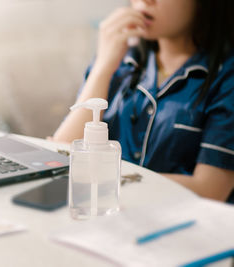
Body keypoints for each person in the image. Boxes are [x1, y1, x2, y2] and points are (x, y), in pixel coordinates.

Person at [52, 0, 234, 202]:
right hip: (112, 216)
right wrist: (103, 66)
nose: (145, 1)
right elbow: (59, 157)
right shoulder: (119, 56)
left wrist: (102, 174)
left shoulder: (227, 76)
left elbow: (210, 190)